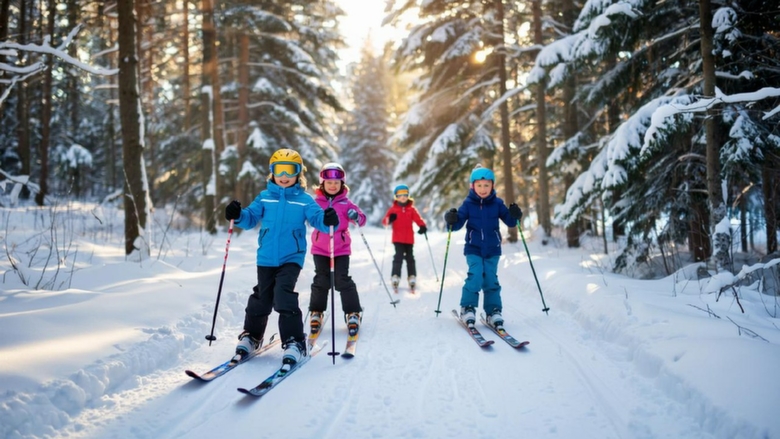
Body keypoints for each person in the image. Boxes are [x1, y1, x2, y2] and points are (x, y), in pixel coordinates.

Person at [224, 148, 339, 367]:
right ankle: (252, 336)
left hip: (291, 257)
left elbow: (319, 220)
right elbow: (249, 218)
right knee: (261, 297)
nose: (284, 175)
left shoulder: (304, 200)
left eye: (290, 170)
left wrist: (328, 219)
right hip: (266, 257)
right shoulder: (265, 197)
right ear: (272, 172)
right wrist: (237, 215)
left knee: (283, 295)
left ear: (298, 173)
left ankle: (295, 341)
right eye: (279, 170)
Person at [443, 165, 523, 328]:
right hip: (474, 248)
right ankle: (468, 307)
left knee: (491, 279)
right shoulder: (468, 204)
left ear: (492, 185)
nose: (483, 189)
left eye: (486, 185)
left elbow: (511, 222)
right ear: (473, 186)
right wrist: (451, 219)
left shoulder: (497, 203)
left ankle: (493, 311)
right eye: (479, 185)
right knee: (476, 275)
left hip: (493, 249)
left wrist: (515, 214)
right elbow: (456, 225)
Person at [308, 163, 367, 338]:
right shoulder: (316, 203)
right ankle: (316, 312)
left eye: (336, 182)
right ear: (322, 184)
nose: (333, 185)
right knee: (321, 279)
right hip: (320, 248)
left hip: (341, 249)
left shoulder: (346, 203)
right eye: (329, 182)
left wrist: (356, 216)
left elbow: (362, 219)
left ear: (342, 184)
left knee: (342, 279)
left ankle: (353, 313)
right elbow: (310, 218)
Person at [381, 184, 427, 293]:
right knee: (398, 257)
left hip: (409, 239)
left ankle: (412, 276)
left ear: (408, 196)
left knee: (410, 258)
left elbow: (418, 219)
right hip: (397, 238)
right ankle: (395, 276)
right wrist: (390, 219)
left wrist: (422, 226)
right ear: (396, 197)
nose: (403, 197)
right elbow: (385, 222)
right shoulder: (393, 209)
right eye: (400, 195)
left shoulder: (411, 209)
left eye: (405, 195)